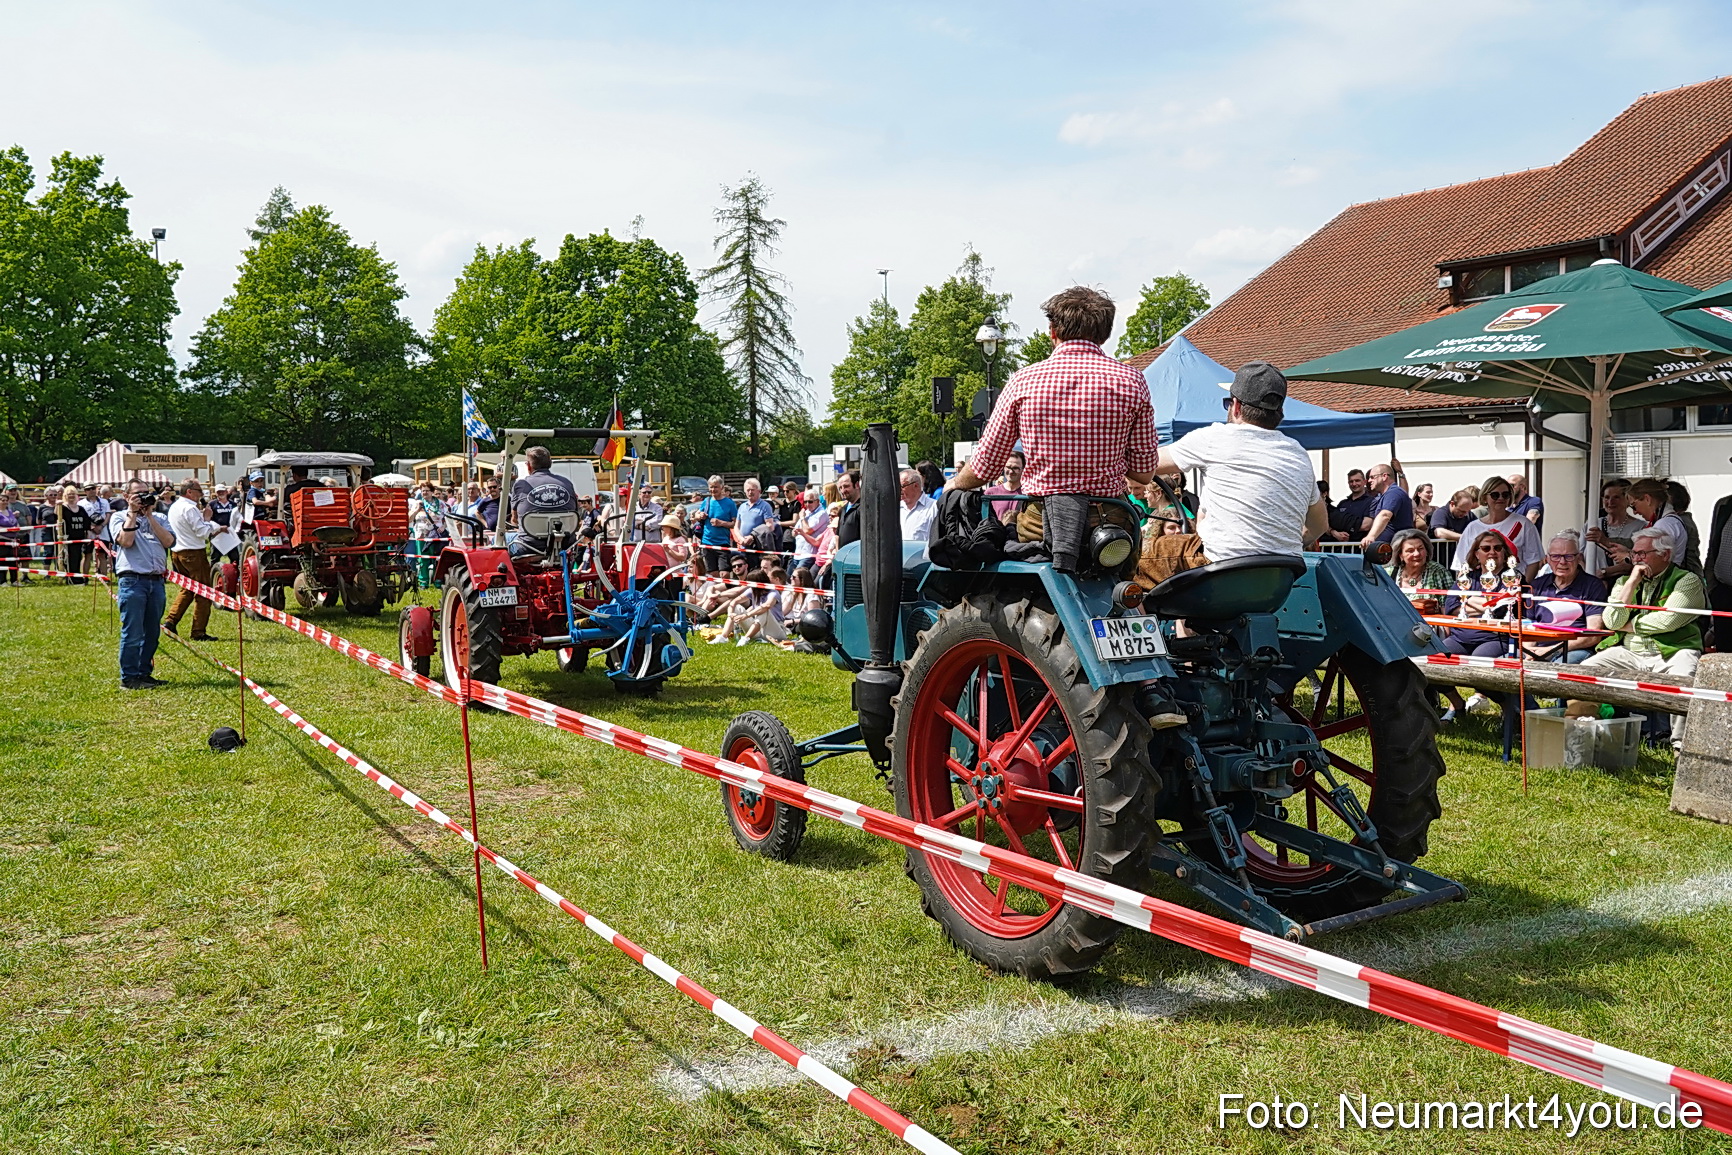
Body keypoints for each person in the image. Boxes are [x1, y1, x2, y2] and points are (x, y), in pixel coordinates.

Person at [944, 286, 1157, 570]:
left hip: (1041, 524)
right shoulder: (1132, 380)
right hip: (1109, 522)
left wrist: (954, 484)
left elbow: (986, 465)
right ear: (1105, 335)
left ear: (1052, 331)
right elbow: (1143, 473)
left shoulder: (1024, 380)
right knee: (1122, 594)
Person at [1152, 361, 1329, 569]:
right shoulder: (1298, 453)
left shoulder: (1214, 438)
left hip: (1222, 572)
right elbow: (1320, 525)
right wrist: (1280, 550)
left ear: (1236, 406)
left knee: (1151, 552)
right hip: (1281, 575)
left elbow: (1146, 464)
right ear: (1279, 411)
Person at [1575, 525, 1705, 750]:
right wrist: (1632, 582)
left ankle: (1680, 747)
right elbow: (1613, 622)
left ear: (1665, 555)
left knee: (1685, 681)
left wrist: (1630, 625)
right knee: (1585, 671)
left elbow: (1667, 622)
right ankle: (1580, 733)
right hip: (1630, 651)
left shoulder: (1687, 581)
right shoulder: (1624, 581)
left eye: (1642, 554)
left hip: (1673, 650)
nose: (1635, 559)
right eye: (1634, 553)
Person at [110, 484, 176, 689]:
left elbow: (169, 541)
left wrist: (149, 516)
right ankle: (129, 677)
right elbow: (126, 542)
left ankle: (144, 673)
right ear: (126, 495)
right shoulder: (118, 517)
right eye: (138, 493)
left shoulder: (160, 518)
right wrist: (132, 513)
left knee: (151, 632)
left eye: (146, 493)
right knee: (133, 632)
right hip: (132, 580)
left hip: (156, 581)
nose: (143, 497)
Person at [1523, 531, 1607, 664]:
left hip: (1574, 649)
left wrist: (1553, 649)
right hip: (1537, 649)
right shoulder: (1537, 586)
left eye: (1569, 556)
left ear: (1579, 557)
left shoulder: (1593, 586)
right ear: (1547, 559)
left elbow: (1593, 635)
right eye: (1556, 556)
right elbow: (1529, 627)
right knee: (1502, 664)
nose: (1562, 562)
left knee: (1556, 671)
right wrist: (1529, 652)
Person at [162, 479, 222, 640]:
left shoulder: (175, 506)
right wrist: (208, 519)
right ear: (189, 492)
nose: (201, 494)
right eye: (198, 490)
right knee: (203, 592)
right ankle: (198, 631)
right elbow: (203, 533)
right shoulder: (190, 508)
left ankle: (171, 621)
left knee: (187, 589)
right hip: (193, 553)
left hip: (177, 552)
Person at [1450, 475, 1543, 578]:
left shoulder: (1524, 524)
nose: (1500, 498)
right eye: (1495, 495)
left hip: (1513, 587)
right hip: (1479, 587)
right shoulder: (1472, 527)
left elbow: (1534, 562)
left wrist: (1523, 587)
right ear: (1485, 497)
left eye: (1505, 494)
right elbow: (1462, 565)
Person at [508, 446, 579, 558]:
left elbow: (514, 519)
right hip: (565, 544)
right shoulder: (566, 483)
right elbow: (575, 512)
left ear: (529, 465)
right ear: (550, 463)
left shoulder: (521, 485)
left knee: (498, 540)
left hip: (529, 546)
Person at [1624, 477, 1699, 575]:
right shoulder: (1668, 521)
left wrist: (1626, 556)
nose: (1635, 511)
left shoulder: (1665, 524)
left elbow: (1655, 559)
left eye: (1633, 505)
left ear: (1647, 499)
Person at [1583, 477, 1642, 583]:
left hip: (1622, 585)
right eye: (1606, 497)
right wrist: (1586, 577)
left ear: (1627, 499)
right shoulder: (1592, 524)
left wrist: (1603, 572)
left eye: (1616, 497)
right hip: (1591, 585)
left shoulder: (1640, 527)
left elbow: (1637, 561)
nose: (1610, 502)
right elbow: (1579, 555)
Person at [1388, 528, 1449, 614]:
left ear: (1427, 551)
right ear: (1400, 555)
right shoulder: (1388, 573)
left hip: (1429, 624)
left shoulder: (1438, 571)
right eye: (1410, 551)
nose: (1417, 554)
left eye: (1420, 549)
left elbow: (1448, 606)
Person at [1362, 460, 1413, 545]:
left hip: (1394, 549)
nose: (1369, 481)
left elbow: (1385, 515)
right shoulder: (1388, 494)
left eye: (1372, 477)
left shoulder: (1394, 493)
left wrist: (1371, 536)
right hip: (1387, 548)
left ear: (1384, 476)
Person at [695, 475, 738, 573]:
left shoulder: (730, 503)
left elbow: (735, 524)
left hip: (722, 543)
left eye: (716, 487)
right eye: (711, 487)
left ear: (722, 487)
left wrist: (721, 523)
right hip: (707, 543)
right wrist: (700, 515)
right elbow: (696, 515)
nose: (713, 489)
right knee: (712, 573)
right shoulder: (707, 501)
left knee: (725, 574)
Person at [54, 484, 92, 584]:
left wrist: (87, 534)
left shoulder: (81, 509)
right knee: (68, 558)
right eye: (69, 494)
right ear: (65, 495)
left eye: (73, 494)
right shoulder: (63, 508)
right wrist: (57, 505)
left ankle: (76, 576)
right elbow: (56, 516)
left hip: (79, 537)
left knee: (77, 557)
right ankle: (70, 578)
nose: (71, 496)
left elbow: (86, 523)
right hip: (67, 537)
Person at [1327, 469, 1375, 542]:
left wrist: (1343, 524)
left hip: (1359, 549)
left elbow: (1366, 526)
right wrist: (1334, 532)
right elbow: (1328, 523)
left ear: (1364, 482)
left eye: (1357, 480)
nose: (1354, 484)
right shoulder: (1342, 503)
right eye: (1351, 481)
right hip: (1338, 549)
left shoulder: (1372, 501)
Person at [733, 478, 778, 552]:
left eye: (752, 490)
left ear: (759, 491)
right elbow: (736, 526)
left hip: (758, 546)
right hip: (742, 546)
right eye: (748, 490)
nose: (750, 492)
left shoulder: (765, 506)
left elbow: (770, 526)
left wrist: (752, 536)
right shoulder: (742, 506)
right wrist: (741, 539)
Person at [790, 489, 828, 573]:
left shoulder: (821, 513)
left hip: (809, 553)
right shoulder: (806, 512)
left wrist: (803, 518)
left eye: (810, 502)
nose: (807, 504)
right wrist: (795, 532)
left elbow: (807, 530)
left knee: (798, 579)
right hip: (798, 552)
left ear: (817, 501)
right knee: (789, 578)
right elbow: (793, 532)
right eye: (805, 502)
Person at [983, 450, 1027, 524]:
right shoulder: (990, 493)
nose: (1010, 471)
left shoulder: (1027, 494)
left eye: (1015, 468)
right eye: (1008, 467)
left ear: (1023, 469)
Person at [898, 467, 938, 542]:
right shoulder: (895, 508)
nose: (899, 489)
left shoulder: (933, 507)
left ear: (915, 486)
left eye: (902, 486)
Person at [832, 469, 861, 550]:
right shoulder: (843, 509)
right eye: (840, 487)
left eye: (846, 486)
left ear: (857, 485)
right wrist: (838, 554)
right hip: (843, 557)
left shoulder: (863, 509)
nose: (842, 491)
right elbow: (837, 535)